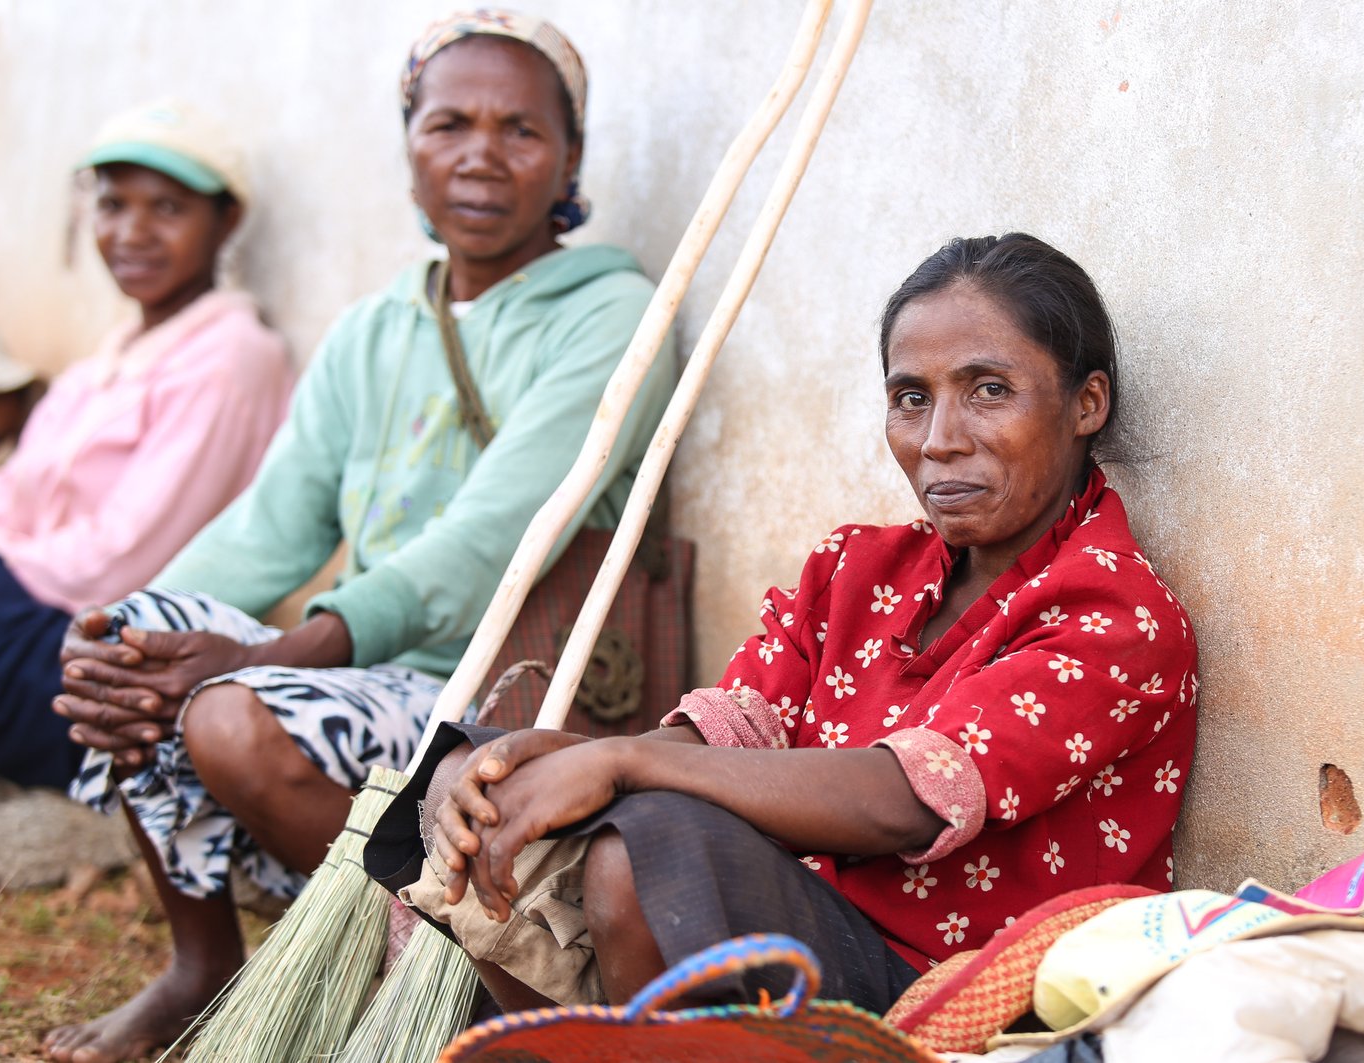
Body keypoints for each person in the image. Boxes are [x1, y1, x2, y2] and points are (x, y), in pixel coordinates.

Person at [42, 12, 675, 1063]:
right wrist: (117, 629)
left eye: (520, 130)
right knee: (135, 644)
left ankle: (417, 968)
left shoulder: (611, 316)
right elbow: (270, 525)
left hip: (504, 693)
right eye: (448, 124)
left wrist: (269, 656)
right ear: (409, 143)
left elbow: (491, 541)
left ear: (570, 156)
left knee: (236, 722)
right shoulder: (373, 329)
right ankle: (200, 966)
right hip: (366, 678)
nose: (480, 154)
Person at [366, 233, 1200, 1019]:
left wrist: (618, 761)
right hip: (806, 929)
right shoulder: (852, 569)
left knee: (644, 856)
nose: (941, 439)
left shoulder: (1114, 613)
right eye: (912, 398)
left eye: (989, 390)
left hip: (946, 983)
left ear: (1087, 402)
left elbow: (902, 802)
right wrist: (565, 763)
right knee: (471, 783)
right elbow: (728, 735)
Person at [0, 101, 291, 792]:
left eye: (166, 208)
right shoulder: (108, 359)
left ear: (227, 220)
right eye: (113, 204)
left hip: (107, 655)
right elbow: (12, 494)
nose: (132, 232)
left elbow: (127, 557)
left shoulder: (232, 359)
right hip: (25, 613)